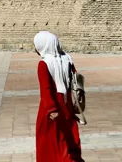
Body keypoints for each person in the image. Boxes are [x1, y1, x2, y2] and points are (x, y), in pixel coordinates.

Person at [34, 30, 83, 162]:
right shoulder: (68, 59)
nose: (35, 49)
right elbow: (76, 81)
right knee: (67, 138)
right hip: (67, 104)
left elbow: (46, 89)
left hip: (52, 106)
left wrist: (51, 109)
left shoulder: (44, 64)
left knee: (49, 141)